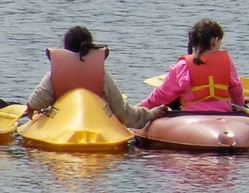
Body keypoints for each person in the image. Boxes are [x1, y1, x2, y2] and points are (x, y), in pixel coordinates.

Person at [25, 26, 166, 129]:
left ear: (65, 49)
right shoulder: (101, 74)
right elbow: (121, 112)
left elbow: (35, 103)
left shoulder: (56, 73)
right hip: (96, 127)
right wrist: (150, 114)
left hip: (62, 127)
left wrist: (32, 111)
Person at [138, 18, 246, 113]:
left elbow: (162, 95)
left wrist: (140, 109)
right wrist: (240, 106)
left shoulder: (183, 66)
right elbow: (236, 90)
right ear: (215, 41)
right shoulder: (227, 62)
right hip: (223, 114)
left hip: (192, 116)